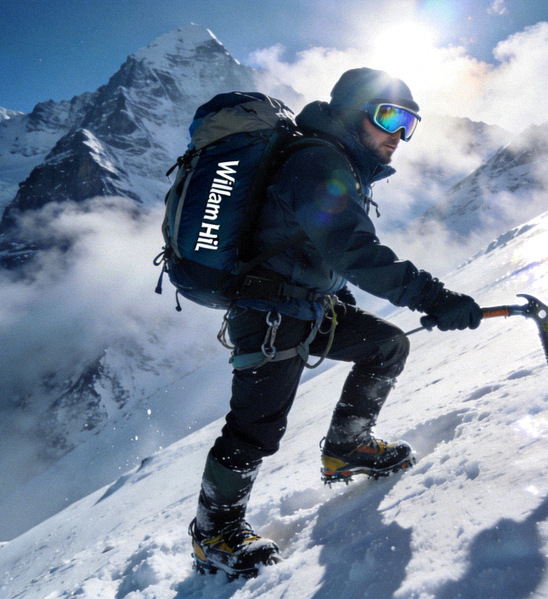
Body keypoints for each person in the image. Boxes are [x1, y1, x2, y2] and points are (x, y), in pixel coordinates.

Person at [189, 67, 482, 577]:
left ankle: (347, 448)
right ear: (351, 113)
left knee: (386, 345)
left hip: (309, 302)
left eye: (409, 123)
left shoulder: (336, 160)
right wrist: (435, 297)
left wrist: (337, 296)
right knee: (255, 429)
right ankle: (213, 530)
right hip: (271, 313)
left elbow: (313, 247)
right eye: (389, 116)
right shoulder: (319, 162)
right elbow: (353, 249)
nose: (399, 135)